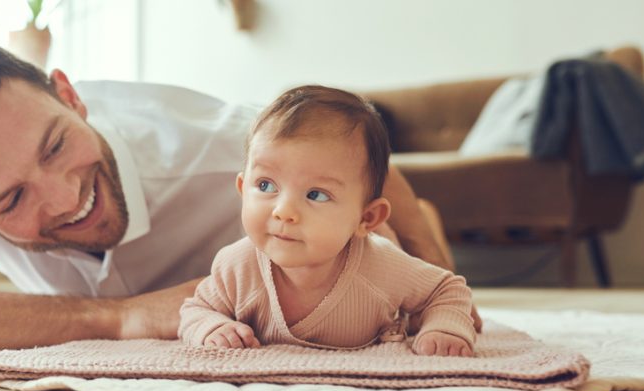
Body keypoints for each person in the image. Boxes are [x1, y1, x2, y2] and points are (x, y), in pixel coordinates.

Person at [0, 44, 456, 353]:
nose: (66, 195)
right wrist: (114, 318)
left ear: (70, 97)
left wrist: (435, 270)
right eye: (14, 199)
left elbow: (353, 161)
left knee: (385, 252)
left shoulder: (215, 145)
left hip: (318, 250)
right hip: (230, 297)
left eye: (54, 146)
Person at [178, 85, 477, 356]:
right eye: (266, 185)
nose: (283, 211)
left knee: (398, 252)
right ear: (243, 190)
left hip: (378, 244)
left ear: (366, 217)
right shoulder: (236, 266)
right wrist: (211, 327)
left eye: (316, 195)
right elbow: (196, 310)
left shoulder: (384, 267)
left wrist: (444, 328)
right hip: (358, 231)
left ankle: (419, 218)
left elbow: (446, 290)